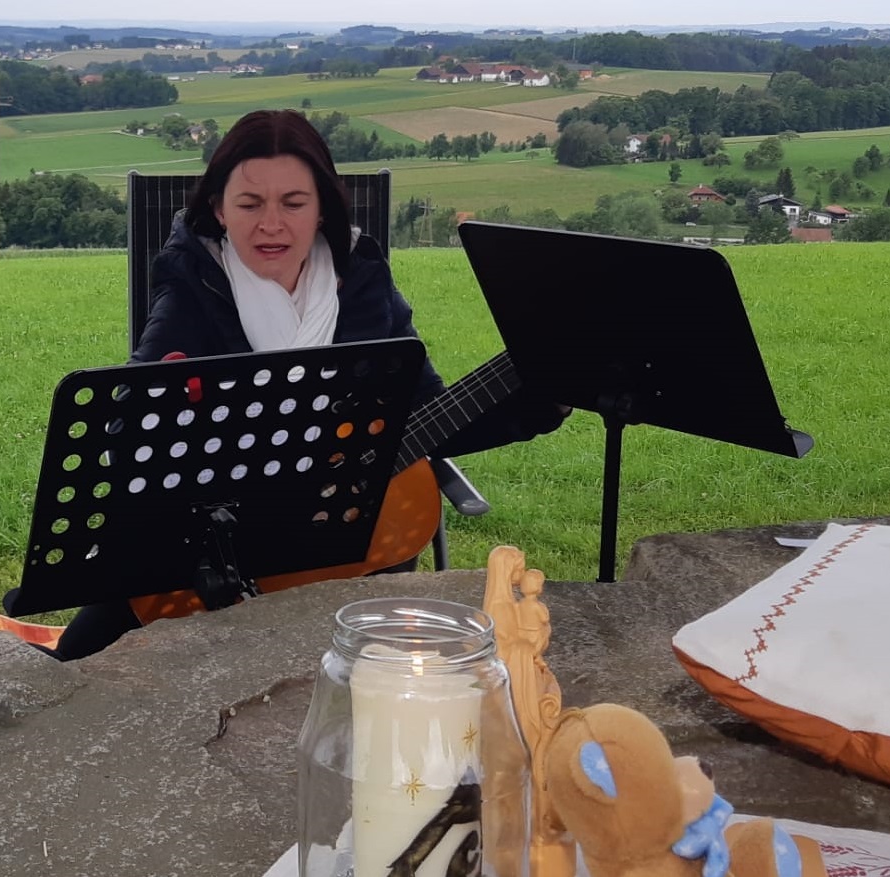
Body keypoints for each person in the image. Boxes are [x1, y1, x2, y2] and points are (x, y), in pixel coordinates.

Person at [49, 109, 569, 661]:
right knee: (71, 669)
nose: (271, 224)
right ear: (219, 209)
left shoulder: (364, 282)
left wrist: (541, 401)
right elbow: (129, 428)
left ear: (323, 208)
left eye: (294, 203)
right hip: (210, 558)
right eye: (250, 204)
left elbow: (428, 416)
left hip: (347, 551)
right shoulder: (192, 283)